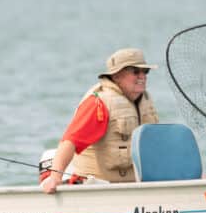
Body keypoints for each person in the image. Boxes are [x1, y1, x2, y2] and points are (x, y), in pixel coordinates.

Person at [42, 48, 159, 192]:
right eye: (135, 71)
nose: (142, 76)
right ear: (116, 76)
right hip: (100, 188)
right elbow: (70, 141)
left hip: (135, 185)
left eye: (145, 71)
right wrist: (55, 177)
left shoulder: (145, 99)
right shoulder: (99, 103)